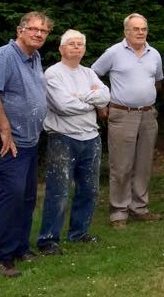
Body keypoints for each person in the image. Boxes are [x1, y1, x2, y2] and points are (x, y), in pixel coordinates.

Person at [0, 11, 53, 278]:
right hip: (10, 143)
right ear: (20, 30)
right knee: (11, 199)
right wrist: (4, 128)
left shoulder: (34, 58)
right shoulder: (5, 56)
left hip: (29, 141)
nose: (38, 34)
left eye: (43, 32)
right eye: (33, 29)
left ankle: (20, 247)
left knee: (26, 198)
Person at [36, 30, 110, 255]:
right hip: (63, 138)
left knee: (89, 189)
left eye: (80, 44)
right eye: (71, 44)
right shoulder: (53, 74)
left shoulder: (88, 73)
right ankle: (48, 239)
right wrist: (91, 100)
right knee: (58, 190)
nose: (77, 47)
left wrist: (81, 96)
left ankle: (79, 232)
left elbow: (106, 96)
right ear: (61, 49)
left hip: (91, 138)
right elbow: (62, 105)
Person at [91, 13, 164, 228]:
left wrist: (145, 98)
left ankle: (139, 207)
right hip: (122, 114)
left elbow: (158, 81)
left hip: (148, 115)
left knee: (143, 164)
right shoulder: (114, 53)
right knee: (121, 166)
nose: (141, 32)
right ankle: (119, 212)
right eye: (136, 29)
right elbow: (92, 74)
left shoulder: (154, 54)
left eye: (144, 29)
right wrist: (101, 102)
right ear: (126, 32)